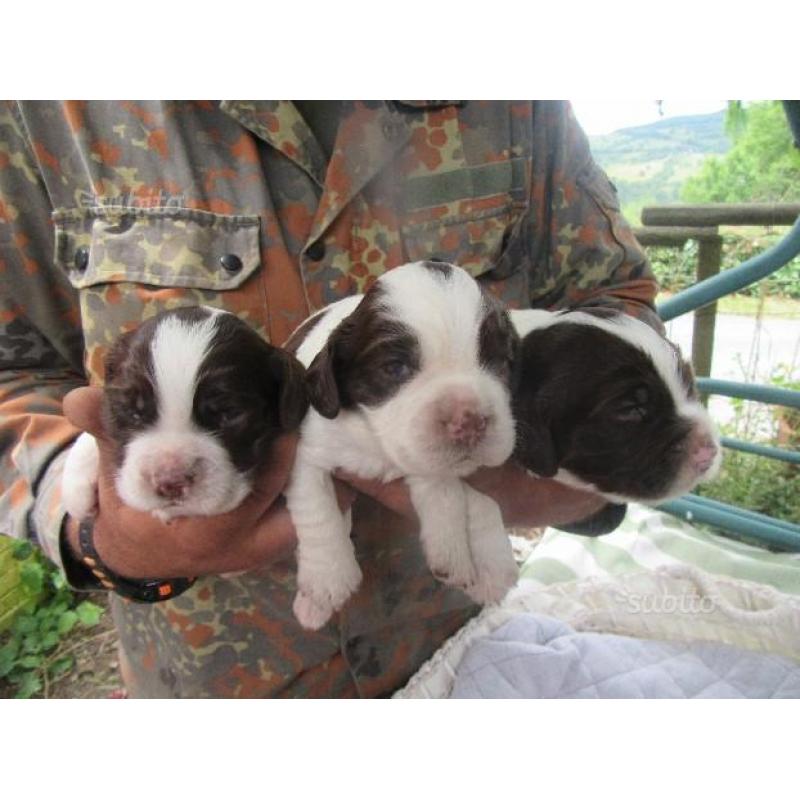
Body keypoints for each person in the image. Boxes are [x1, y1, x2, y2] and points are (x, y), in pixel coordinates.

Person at [0, 100, 660, 698]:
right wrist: (90, 527)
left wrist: (586, 463)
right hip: (209, 681)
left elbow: (615, 306)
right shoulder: (45, 106)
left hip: (459, 652)